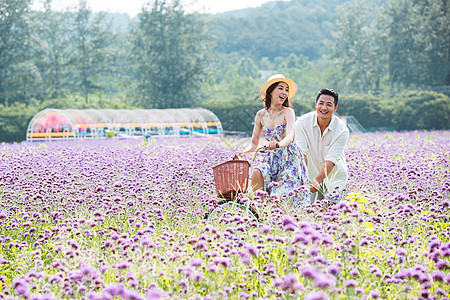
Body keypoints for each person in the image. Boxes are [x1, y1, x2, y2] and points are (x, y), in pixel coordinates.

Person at [237, 74, 309, 209]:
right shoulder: (260, 114)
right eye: (280, 88)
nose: (284, 93)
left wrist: (278, 144)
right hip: (271, 158)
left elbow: (290, 136)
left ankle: (280, 219)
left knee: (280, 196)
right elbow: (254, 143)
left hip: (289, 158)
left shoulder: (288, 112)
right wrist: (243, 152)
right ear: (270, 91)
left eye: (286, 90)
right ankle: (260, 213)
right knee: (257, 172)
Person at [294, 88, 349, 203]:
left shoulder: (342, 130)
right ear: (316, 104)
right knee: (307, 211)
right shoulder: (302, 123)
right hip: (309, 174)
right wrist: (304, 180)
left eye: (329, 104)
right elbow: (302, 153)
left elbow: (331, 160)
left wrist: (317, 181)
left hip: (334, 176)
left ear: (335, 108)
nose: (324, 108)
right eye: (321, 103)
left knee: (330, 213)